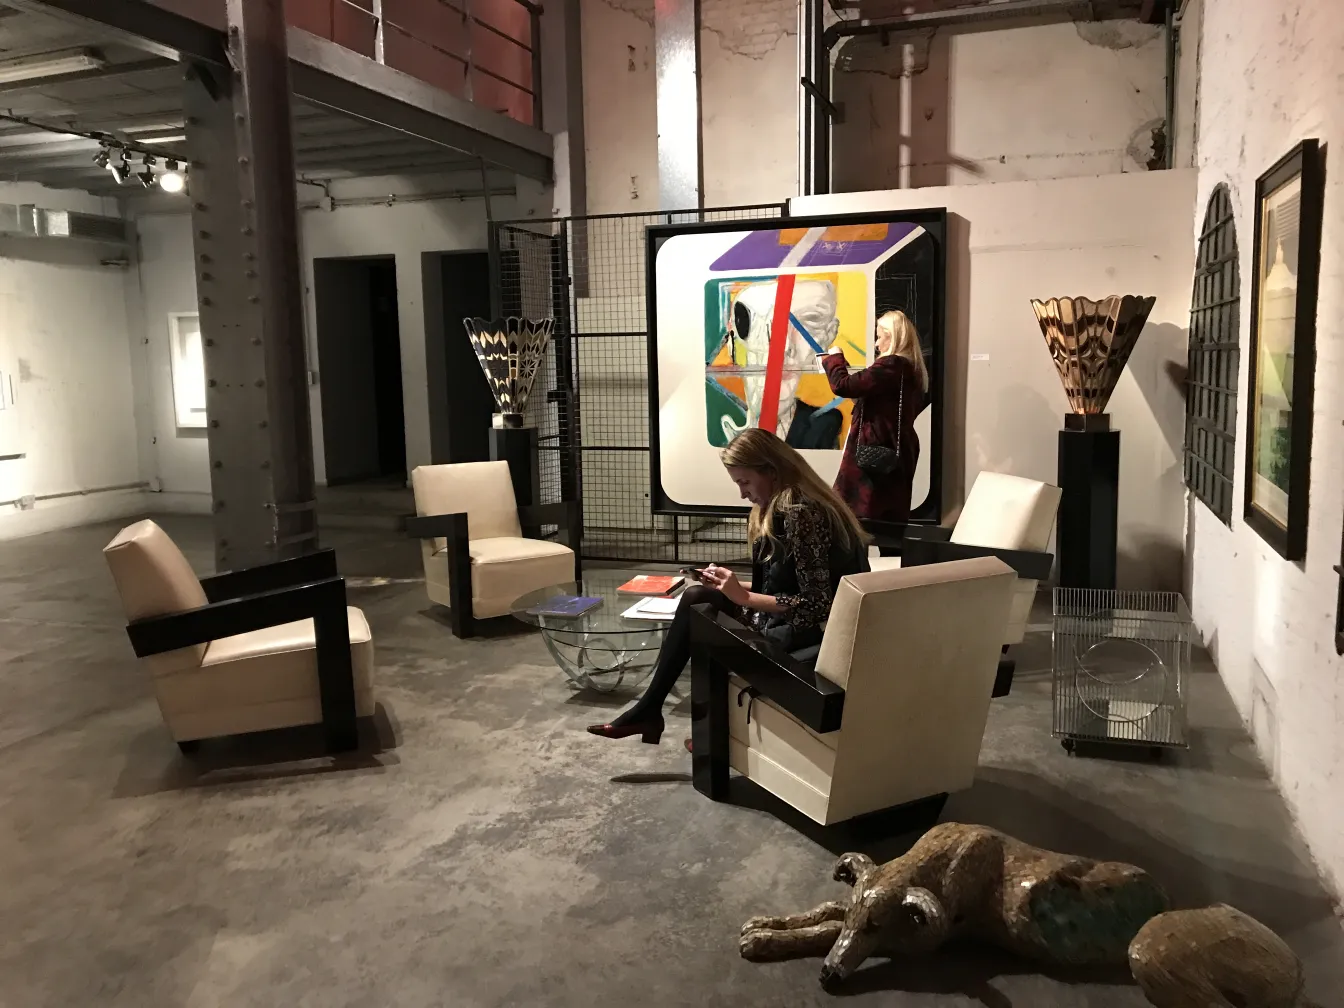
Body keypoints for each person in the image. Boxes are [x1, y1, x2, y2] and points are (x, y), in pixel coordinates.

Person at [587, 428, 870, 745]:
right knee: (701, 597)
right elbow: (788, 584)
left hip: (809, 641)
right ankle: (658, 712)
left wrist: (743, 596)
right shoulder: (791, 504)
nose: (742, 494)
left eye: (745, 482)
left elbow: (819, 606)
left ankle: (694, 728)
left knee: (703, 616)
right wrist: (730, 585)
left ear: (771, 471)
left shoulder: (800, 513)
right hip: (790, 628)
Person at [820, 309, 929, 526]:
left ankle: (857, 561)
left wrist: (834, 358)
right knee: (886, 521)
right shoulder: (910, 369)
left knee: (857, 519)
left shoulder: (892, 365)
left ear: (893, 336)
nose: (877, 344)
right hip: (894, 449)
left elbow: (842, 386)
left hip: (874, 450)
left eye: (880, 337)